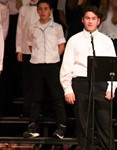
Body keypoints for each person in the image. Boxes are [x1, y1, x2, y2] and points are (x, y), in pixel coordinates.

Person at [60, 6, 117, 150]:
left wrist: (112, 87)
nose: (90, 21)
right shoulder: (74, 40)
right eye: (87, 18)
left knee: (105, 125)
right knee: (83, 126)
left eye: (93, 19)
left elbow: (113, 67)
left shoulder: (106, 41)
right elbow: (66, 65)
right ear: (82, 20)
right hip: (80, 84)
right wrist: (67, 88)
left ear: (98, 21)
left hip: (100, 84)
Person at [23, 0, 67, 139]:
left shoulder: (57, 27)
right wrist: (38, 56)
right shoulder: (32, 27)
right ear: (37, 11)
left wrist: (53, 56)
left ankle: (61, 126)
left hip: (52, 64)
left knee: (56, 95)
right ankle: (32, 126)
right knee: (36, 96)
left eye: (45, 9)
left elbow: (61, 45)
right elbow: (31, 45)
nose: (43, 11)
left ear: (51, 11)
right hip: (36, 64)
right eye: (40, 9)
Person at [16, 0, 39, 117]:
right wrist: (19, 49)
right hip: (26, 49)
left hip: (39, 51)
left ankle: (37, 109)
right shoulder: (23, 9)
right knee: (27, 81)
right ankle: (26, 108)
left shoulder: (42, 8)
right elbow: (20, 29)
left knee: (38, 81)